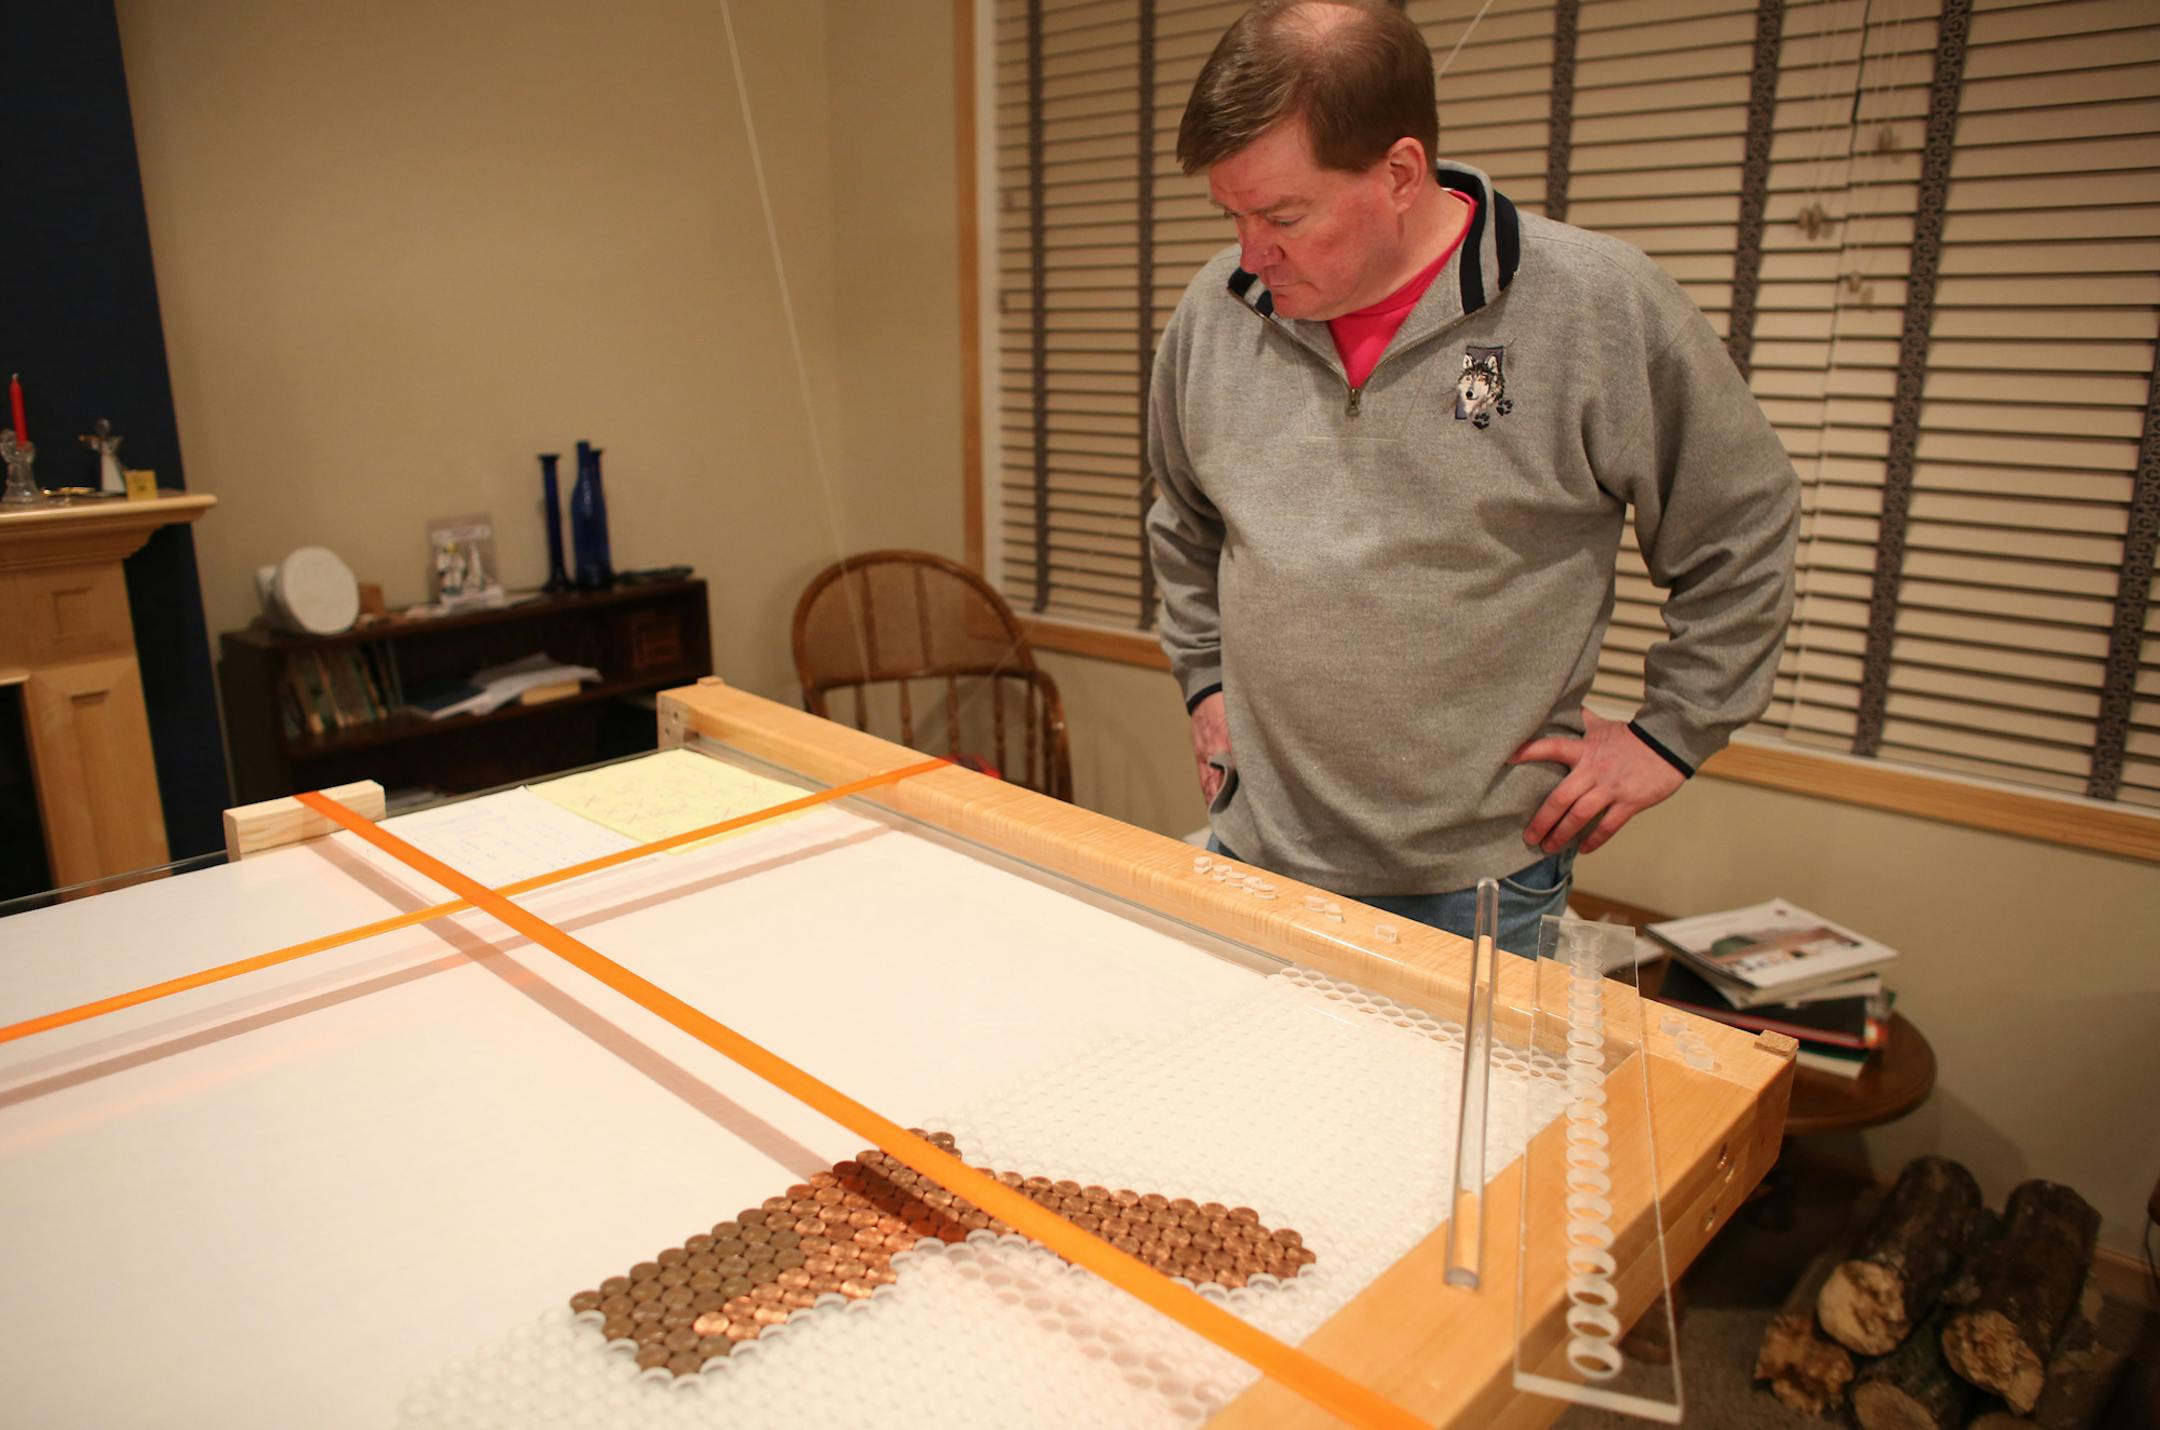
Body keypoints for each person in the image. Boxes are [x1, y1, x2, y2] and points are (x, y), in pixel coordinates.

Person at [1145, 0, 1799, 953]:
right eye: (1233, 215)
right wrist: (1204, 684)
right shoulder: (1218, 310)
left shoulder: (1596, 306)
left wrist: (1671, 735)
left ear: (1400, 173)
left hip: (1479, 884)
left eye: (1283, 215)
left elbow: (1742, 523)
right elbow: (1183, 520)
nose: (1251, 255)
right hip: (1259, 844)